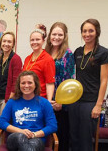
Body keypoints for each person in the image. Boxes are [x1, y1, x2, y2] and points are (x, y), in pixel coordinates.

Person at [69, 19, 108, 151]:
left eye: (91, 31)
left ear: (97, 32)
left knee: (85, 138)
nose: (87, 34)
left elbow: (104, 80)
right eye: (84, 31)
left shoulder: (103, 52)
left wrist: (98, 105)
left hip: (91, 101)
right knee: (73, 136)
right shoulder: (78, 52)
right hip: (75, 100)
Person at [0, 71, 57, 151]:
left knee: (30, 147)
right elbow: (2, 122)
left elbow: (52, 126)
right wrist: (21, 131)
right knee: (21, 137)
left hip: (37, 138)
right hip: (15, 137)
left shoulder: (44, 103)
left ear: (35, 84)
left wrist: (34, 134)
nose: (26, 86)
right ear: (19, 85)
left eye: (30, 83)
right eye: (23, 83)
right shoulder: (12, 102)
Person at [45, 22, 75, 151]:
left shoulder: (67, 54)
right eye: (54, 34)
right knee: (46, 137)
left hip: (60, 104)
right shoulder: (45, 52)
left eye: (60, 34)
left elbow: (69, 81)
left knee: (60, 137)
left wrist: (61, 102)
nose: (56, 37)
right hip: (45, 101)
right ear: (49, 35)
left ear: (65, 36)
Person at [23, 24, 55, 101]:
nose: (34, 42)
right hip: (27, 98)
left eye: (37, 39)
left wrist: (49, 101)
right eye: (32, 40)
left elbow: (50, 83)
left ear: (43, 41)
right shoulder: (27, 59)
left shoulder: (48, 59)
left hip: (40, 99)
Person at [0, 32, 22, 117]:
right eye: (4, 41)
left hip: (8, 98)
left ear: (13, 44)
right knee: (0, 123)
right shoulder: (0, 59)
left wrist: (9, 100)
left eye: (9, 42)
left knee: (3, 125)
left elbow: (16, 82)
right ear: (1, 43)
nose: (6, 44)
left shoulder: (16, 59)